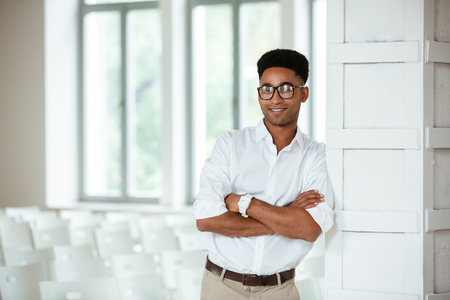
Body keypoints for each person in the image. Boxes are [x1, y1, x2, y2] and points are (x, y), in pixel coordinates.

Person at [193, 48, 334, 300]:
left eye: (286, 88)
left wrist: (245, 203)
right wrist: (287, 215)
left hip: (280, 290)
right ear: (259, 94)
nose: (276, 98)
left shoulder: (316, 155)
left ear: (304, 94)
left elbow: (310, 228)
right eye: (267, 89)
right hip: (222, 287)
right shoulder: (230, 144)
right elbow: (206, 219)